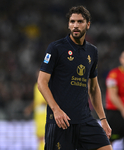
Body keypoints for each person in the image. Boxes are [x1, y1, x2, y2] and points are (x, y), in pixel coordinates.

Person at [38, 6, 113, 150]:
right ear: (68, 24)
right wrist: (56, 110)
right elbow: (41, 83)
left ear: (88, 24)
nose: (76, 25)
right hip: (61, 121)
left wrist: (103, 119)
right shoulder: (56, 48)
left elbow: (93, 88)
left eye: (80, 22)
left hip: (85, 120)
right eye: (72, 22)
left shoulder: (92, 51)